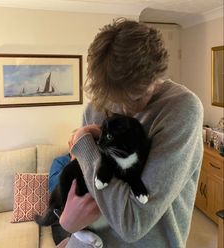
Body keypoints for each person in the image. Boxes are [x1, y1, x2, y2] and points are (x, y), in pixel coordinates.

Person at [57, 18, 204, 248]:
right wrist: (66, 223)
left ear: (157, 74)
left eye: (136, 97)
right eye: (115, 100)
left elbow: (132, 223)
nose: (125, 110)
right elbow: (84, 190)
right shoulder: (95, 107)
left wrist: (82, 143)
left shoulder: (182, 109)